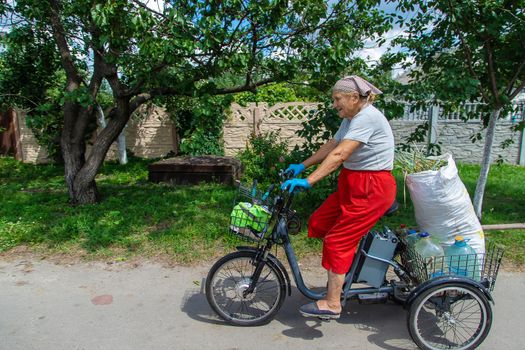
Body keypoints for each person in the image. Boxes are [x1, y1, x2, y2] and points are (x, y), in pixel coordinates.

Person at [281, 75, 396, 319]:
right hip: (353, 184)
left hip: (371, 188)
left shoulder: (367, 117)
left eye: (337, 99)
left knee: (337, 241)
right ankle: (347, 270)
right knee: (320, 221)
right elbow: (332, 146)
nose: (334, 104)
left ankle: (333, 303)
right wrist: (302, 165)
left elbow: (341, 155)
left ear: (354, 98)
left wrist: (309, 181)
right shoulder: (352, 117)